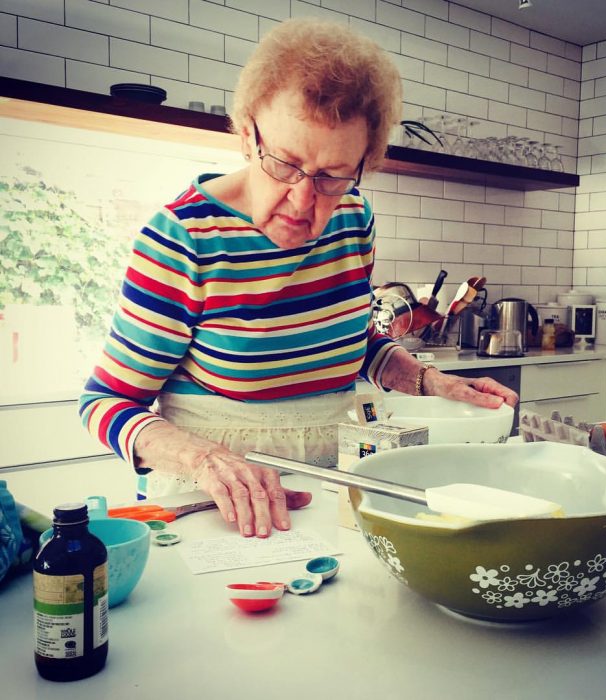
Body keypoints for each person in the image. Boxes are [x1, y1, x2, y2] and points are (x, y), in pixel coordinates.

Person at [79, 18, 518, 539]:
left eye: (333, 175)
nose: (304, 201)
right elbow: (105, 403)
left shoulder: (354, 218)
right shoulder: (184, 239)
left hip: (329, 485)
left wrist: (430, 381)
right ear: (247, 136)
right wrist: (205, 461)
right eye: (284, 163)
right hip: (213, 506)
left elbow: (353, 344)